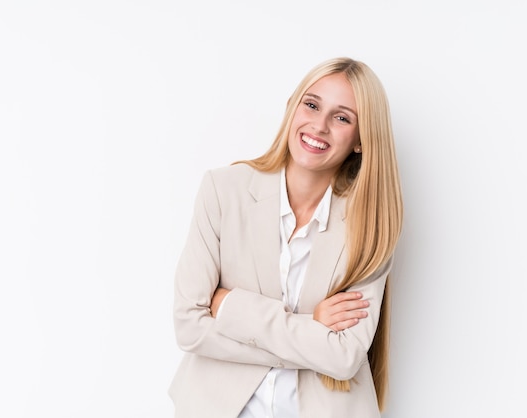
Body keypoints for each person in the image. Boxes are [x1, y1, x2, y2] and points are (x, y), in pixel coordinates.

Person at [169, 57, 403, 418]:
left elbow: (343, 357)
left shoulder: (372, 224)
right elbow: (189, 326)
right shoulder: (223, 190)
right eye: (311, 105)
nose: (320, 126)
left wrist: (233, 310)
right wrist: (310, 330)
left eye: (342, 118)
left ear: (361, 140)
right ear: (292, 107)